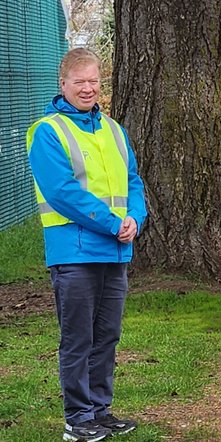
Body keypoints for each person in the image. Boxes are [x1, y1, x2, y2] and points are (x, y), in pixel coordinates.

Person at [27, 48, 148, 442]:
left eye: (93, 80)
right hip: (74, 252)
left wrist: (135, 218)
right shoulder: (48, 130)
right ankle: (77, 419)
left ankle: (100, 411)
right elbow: (63, 193)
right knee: (79, 339)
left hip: (115, 250)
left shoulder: (114, 129)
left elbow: (132, 180)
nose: (87, 88)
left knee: (107, 336)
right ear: (62, 85)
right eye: (79, 81)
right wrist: (115, 224)